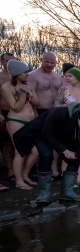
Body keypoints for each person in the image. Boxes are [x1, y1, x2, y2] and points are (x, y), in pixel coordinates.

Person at [13, 103, 80, 203]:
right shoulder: (59, 112)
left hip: (62, 135)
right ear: (79, 118)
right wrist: (64, 150)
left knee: (76, 156)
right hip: (41, 132)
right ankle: (44, 194)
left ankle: (67, 192)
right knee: (46, 155)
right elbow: (46, 133)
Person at [0, 60, 40, 190]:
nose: (28, 74)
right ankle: (19, 181)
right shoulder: (6, 88)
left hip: (31, 121)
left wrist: (29, 92)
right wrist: (22, 94)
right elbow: (15, 107)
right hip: (16, 121)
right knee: (20, 152)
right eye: (25, 72)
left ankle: (25, 174)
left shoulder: (29, 85)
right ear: (17, 73)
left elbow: (37, 103)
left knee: (35, 152)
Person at [0, 53, 17, 188]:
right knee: (6, 143)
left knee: (16, 142)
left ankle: (19, 170)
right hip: (4, 112)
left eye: (13, 62)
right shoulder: (1, 77)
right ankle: (10, 170)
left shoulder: (18, 77)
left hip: (18, 113)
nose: (10, 64)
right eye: (7, 61)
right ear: (2, 62)